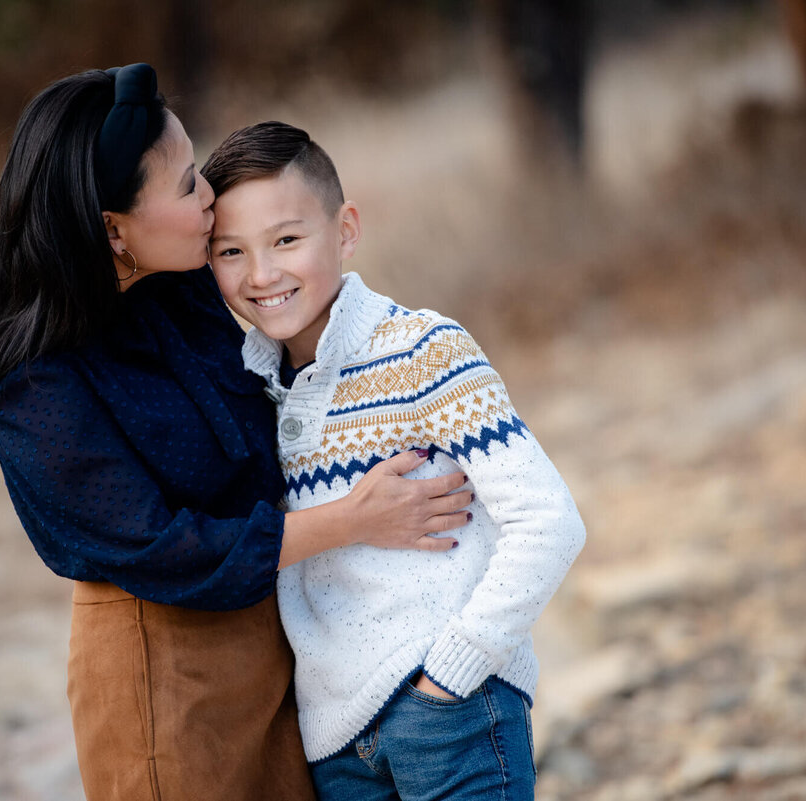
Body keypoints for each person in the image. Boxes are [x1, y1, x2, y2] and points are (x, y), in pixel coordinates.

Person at [0, 65, 472, 801]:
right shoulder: (32, 380)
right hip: (164, 663)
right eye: (187, 185)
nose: (210, 197)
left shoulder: (181, 283)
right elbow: (161, 548)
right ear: (113, 230)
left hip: (276, 639)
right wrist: (352, 520)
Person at [202, 121, 587, 801]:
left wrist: (452, 673)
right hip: (335, 742)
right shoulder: (249, 389)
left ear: (346, 229)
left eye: (287, 239)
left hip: (452, 713)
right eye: (231, 250)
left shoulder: (422, 349)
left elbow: (549, 521)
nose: (261, 275)